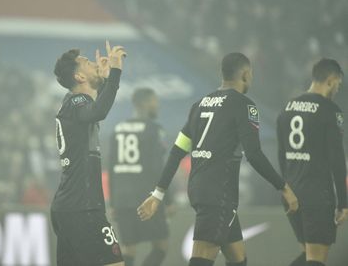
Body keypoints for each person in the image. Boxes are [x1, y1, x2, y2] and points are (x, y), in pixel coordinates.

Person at [137, 52, 298, 266]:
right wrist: (283, 187)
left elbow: (177, 151)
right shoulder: (244, 104)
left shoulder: (199, 105)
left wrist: (157, 194)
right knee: (202, 256)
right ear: (246, 74)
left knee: (238, 257)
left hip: (200, 189)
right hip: (218, 194)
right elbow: (254, 154)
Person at [51, 42, 127, 266]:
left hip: (70, 207)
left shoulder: (74, 105)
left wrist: (103, 81)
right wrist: (115, 72)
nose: (94, 63)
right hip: (82, 208)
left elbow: (95, 110)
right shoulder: (77, 101)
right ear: (79, 77)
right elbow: (99, 111)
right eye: (87, 63)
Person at [277, 58, 347, 266]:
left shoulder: (287, 108)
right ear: (332, 80)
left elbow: (282, 155)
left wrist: (285, 188)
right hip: (317, 196)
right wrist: (343, 202)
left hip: (292, 194)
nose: (338, 89)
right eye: (338, 85)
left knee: (308, 254)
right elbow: (337, 159)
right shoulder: (330, 111)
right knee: (316, 259)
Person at [108, 88, 172, 266]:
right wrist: (168, 199)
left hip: (121, 199)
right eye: (154, 101)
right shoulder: (153, 129)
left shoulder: (118, 129)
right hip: (146, 197)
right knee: (161, 245)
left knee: (129, 249)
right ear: (144, 103)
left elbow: (112, 168)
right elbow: (158, 167)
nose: (157, 105)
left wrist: (113, 202)